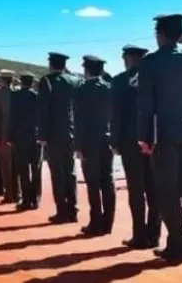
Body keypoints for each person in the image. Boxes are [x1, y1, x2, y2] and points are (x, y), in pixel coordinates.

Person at [138, 13, 182, 262]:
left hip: (163, 134)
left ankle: (176, 245)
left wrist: (144, 137)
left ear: (160, 35)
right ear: (180, 34)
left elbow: (145, 103)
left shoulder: (151, 61)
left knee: (167, 192)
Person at [111, 44, 160, 249]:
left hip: (130, 142)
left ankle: (139, 236)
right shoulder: (156, 77)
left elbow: (117, 115)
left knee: (136, 190)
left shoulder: (120, 81)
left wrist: (115, 142)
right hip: (155, 140)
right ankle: (154, 235)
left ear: (129, 59)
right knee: (154, 189)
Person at [38, 52, 82, 224]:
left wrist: (42, 135)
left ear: (51, 65)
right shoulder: (74, 81)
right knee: (70, 172)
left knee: (58, 173)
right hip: (71, 131)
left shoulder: (47, 81)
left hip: (54, 134)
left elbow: (43, 110)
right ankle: (73, 209)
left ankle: (62, 211)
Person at [74, 55, 115, 236]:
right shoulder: (108, 88)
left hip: (89, 141)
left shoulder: (82, 90)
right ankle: (108, 223)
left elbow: (79, 120)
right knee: (107, 180)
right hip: (107, 139)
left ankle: (96, 222)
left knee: (93, 182)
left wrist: (78, 146)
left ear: (87, 70)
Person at [9, 72, 41, 210]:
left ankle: (26, 200)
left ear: (21, 82)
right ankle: (36, 199)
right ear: (32, 83)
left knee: (23, 170)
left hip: (20, 137)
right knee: (36, 169)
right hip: (35, 137)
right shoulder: (37, 97)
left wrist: (11, 137)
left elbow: (12, 118)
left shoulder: (15, 96)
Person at [0, 69, 19, 204]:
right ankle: (18, 192)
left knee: (6, 166)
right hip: (18, 135)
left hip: (4, 135)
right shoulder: (17, 93)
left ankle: (10, 194)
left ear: (2, 80)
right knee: (17, 166)